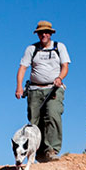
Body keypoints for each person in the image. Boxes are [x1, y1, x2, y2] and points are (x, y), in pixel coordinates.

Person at [15, 20, 70, 162]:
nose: (43, 34)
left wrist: (60, 77)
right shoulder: (31, 49)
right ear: (37, 34)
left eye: (46, 32)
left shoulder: (59, 47)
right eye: (41, 32)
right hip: (34, 89)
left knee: (52, 115)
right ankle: (35, 154)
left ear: (51, 33)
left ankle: (51, 150)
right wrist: (19, 86)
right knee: (34, 122)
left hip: (53, 89)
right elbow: (22, 68)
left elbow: (65, 66)